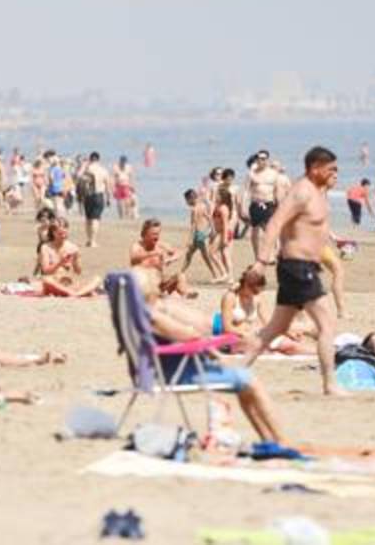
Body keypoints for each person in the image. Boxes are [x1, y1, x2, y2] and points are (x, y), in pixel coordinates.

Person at [135, 268, 286, 443]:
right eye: (155, 284)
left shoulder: (140, 313)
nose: (158, 286)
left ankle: (270, 440)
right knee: (249, 380)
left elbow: (187, 337)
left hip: (162, 370)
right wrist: (216, 353)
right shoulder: (153, 316)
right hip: (176, 374)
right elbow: (192, 337)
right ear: (149, 290)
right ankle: (279, 441)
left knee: (244, 381)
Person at [243, 146, 343, 396]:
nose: (335, 173)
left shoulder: (318, 192)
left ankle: (237, 371)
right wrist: (261, 261)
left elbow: (314, 228)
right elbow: (275, 224)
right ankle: (330, 384)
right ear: (315, 169)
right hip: (297, 267)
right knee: (327, 325)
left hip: (303, 267)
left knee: (273, 330)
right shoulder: (301, 193)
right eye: (331, 169)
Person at [128, 218, 193, 298]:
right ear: (145, 234)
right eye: (153, 234)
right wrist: (152, 253)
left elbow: (179, 252)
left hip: (160, 284)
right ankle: (161, 294)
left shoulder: (160, 245)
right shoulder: (137, 246)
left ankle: (185, 294)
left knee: (180, 276)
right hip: (143, 285)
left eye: (158, 234)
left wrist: (170, 259)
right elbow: (133, 257)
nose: (157, 237)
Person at [38, 217, 100, 297]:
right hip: (55, 282)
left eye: (65, 233)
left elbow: (78, 272)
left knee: (97, 279)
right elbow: (46, 271)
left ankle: (75, 294)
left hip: (70, 283)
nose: (63, 236)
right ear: (53, 233)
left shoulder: (73, 247)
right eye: (60, 234)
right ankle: (77, 293)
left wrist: (75, 260)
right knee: (46, 280)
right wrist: (60, 263)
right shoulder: (45, 247)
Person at [244, 150, 281, 259]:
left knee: (269, 229)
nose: (262, 160)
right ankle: (257, 255)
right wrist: (243, 206)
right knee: (254, 231)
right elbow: (246, 190)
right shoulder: (251, 174)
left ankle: (273, 253)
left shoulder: (273, 174)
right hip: (255, 203)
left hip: (269, 203)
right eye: (260, 158)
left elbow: (277, 190)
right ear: (256, 160)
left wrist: (279, 205)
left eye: (264, 158)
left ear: (267, 160)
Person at [180, 189, 222, 281]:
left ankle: (216, 275)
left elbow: (193, 225)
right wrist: (213, 230)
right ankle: (181, 273)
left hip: (198, 235)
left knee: (205, 257)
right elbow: (209, 218)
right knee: (189, 255)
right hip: (203, 234)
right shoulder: (203, 206)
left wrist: (190, 239)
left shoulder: (194, 210)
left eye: (186, 200)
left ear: (190, 199)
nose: (186, 203)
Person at [79, 152, 111, 248]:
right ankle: (93, 241)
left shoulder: (87, 169)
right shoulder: (103, 170)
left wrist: (83, 165)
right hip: (98, 195)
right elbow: (108, 187)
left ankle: (89, 240)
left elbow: (78, 177)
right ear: (98, 159)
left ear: (90, 159)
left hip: (87, 195)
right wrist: (108, 198)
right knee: (96, 219)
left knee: (88, 218)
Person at [112, 155, 138, 220]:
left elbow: (132, 177)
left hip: (126, 186)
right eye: (122, 162)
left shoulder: (129, 167)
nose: (123, 163)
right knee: (119, 203)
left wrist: (133, 186)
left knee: (127, 202)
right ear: (120, 161)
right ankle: (121, 216)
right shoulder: (116, 167)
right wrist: (113, 188)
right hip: (118, 186)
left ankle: (127, 215)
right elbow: (113, 178)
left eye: (124, 162)